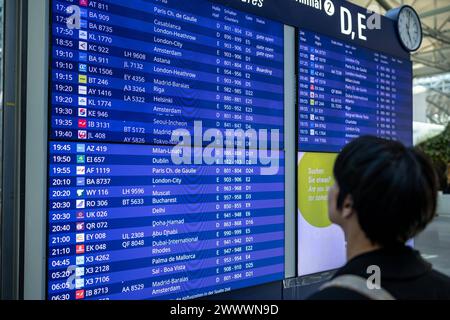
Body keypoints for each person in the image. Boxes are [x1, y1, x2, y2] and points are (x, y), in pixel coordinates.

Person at [309, 136, 450, 300]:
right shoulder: (442, 287)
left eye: (336, 182)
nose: (330, 190)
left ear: (348, 204)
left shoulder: (333, 297)